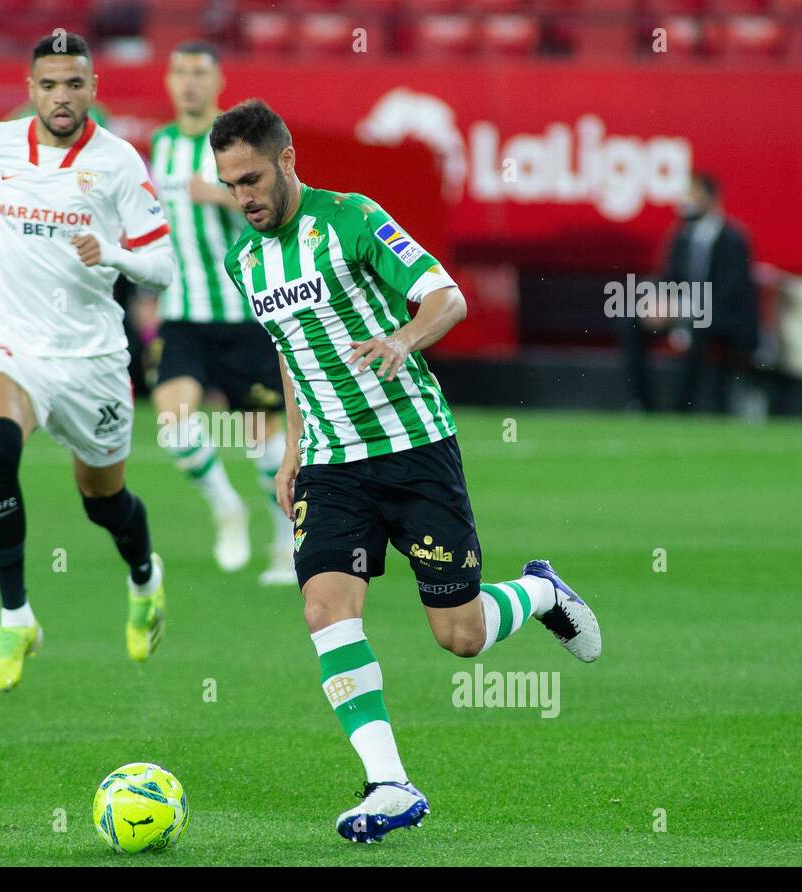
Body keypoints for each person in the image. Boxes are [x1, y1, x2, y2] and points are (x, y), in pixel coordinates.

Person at [212, 100, 603, 843]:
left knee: (459, 635)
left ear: (287, 159)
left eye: (253, 179)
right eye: (230, 185)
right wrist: (294, 448)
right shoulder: (246, 259)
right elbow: (292, 354)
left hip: (412, 450)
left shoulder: (352, 219)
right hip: (331, 465)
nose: (245, 198)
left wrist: (402, 338)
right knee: (325, 610)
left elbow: (445, 296)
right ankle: (389, 781)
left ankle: (543, 590)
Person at [0, 33, 175, 692]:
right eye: (49, 85)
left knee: (103, 502)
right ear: (30, 88)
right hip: (14, 341)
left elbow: (164, 265)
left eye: (74, 84)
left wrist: (114, 252)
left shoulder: (120, 163)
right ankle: (17, 617)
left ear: (93, 87)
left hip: (93, 358)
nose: (61, 97)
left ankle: (144, 579)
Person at [149, 41, 294, 584]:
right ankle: (225, 507)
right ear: (169, 81)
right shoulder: (159, 144)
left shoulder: (235, 146)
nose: (188, 82)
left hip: (243, 315)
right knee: (173, 420)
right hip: (182, 311)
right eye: (180, 71)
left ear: (218, 81)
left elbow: (280, 207)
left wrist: (221, 196)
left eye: (199, 72)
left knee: (264, 442)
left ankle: (285, 543)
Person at [621, 172, 759, 413]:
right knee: (631, 322)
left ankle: (681, 408)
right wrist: (659, 301)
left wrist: (686, 309)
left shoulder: (734, 239)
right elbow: (668, 278)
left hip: (726, 319)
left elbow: (729, 291)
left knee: (699, 325)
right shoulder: (681, 236)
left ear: (710, 197)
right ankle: (643, 405)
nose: (687, 200)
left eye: (693, 194)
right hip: (687, 312)